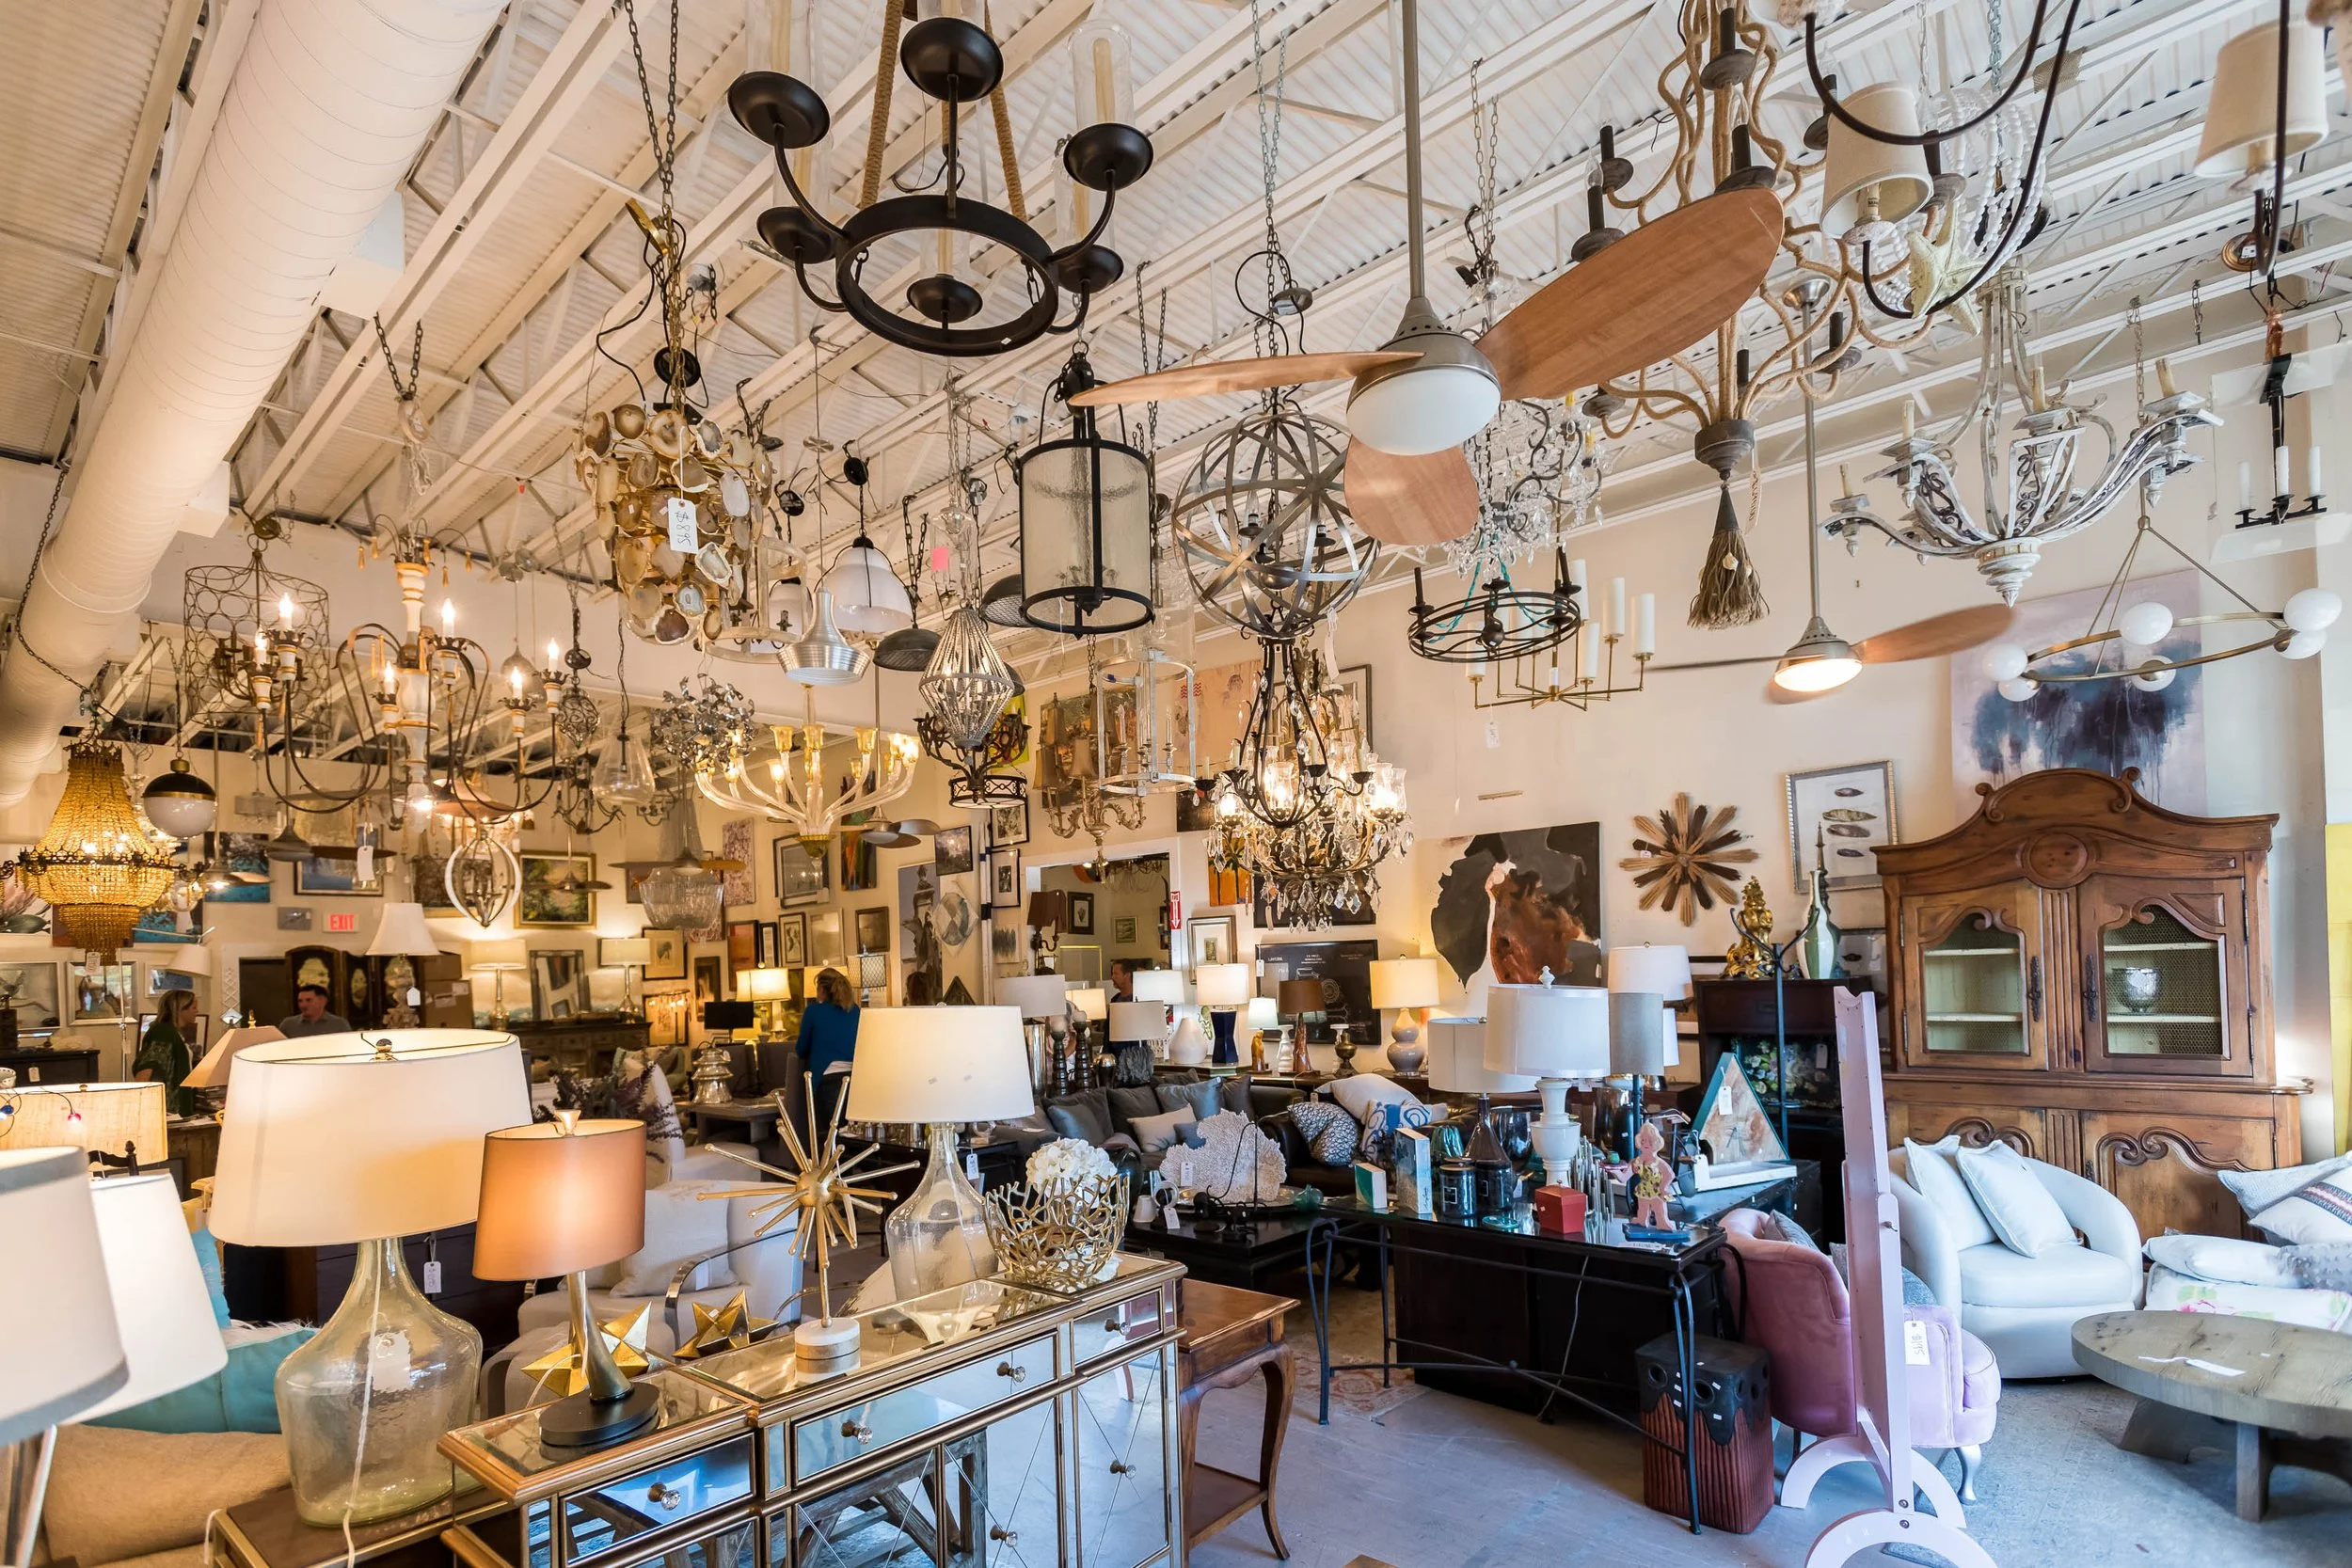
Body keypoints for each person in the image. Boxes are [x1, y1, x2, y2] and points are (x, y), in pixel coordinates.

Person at [795, 968, 861, 1136]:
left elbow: (801, 1049)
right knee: (852, 1135)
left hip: (827, 1079)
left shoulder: (813, 1011)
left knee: (828, 1136)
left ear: (822, 990)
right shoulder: (855, 1011)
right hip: (855, 1079)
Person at [134, 989, 201, 1117]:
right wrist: (139, 1100)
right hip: (168, 1108)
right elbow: (148, 1066)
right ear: (181, 1009)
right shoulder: (162, 1033)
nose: (197, 1011)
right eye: (194, 1007)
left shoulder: (174, 1034)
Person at [278, 982, 352, 1037]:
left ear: (323, 1001)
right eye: (300, 1001)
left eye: (308, 1000)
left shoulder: (339, 1025)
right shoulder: (288, 1025)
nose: (303, 1005)